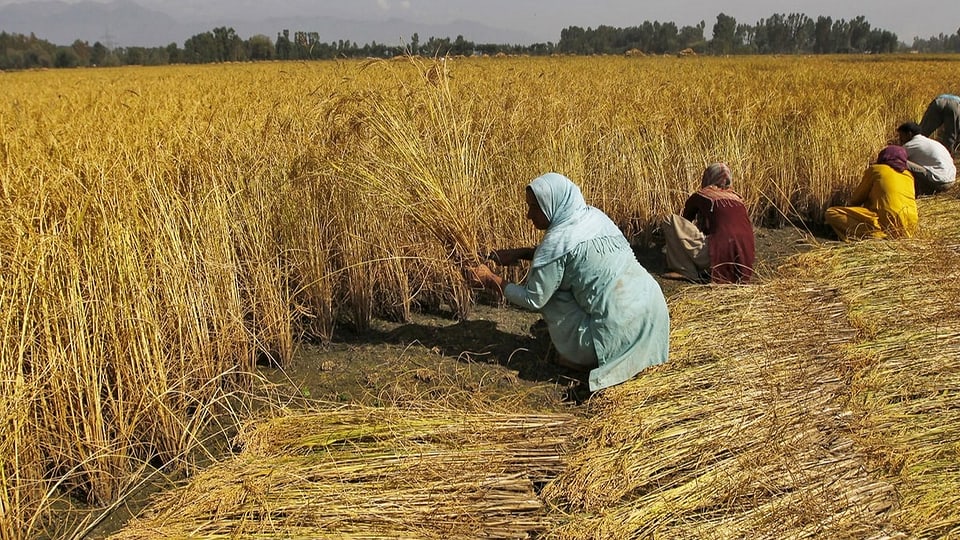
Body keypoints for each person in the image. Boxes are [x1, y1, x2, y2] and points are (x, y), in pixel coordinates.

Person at [465, 172, 669, 393]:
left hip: (619, 332)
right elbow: (576, 257)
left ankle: (582, 357)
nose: (528, 215)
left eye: (534, 207)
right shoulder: (595, 217)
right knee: (560, 280)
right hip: (654, 314)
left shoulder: (556, 243)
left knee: (551, 295)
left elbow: (534, 299)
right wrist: (522, 253)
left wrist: (490, 279)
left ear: (552, 204)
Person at [661, 163, 755, 284]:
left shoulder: (702, 195)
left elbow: (685, 220)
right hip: (745, 261)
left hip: (715, 257)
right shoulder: (739, 199)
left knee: (670, 220)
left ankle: (685, 270)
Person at [824, 145, 918, 241]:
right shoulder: (909, 176)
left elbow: (856, 199)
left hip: (886, 221)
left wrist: (849, 209)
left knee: (831, 213)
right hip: (910, 226)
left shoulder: (877, 169)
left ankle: (877, 236)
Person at [897, 121, 956, 195]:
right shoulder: (931, 142)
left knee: (898, 160)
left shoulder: (911, 144)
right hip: (951, 180)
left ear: (909, 134)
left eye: (901, 136)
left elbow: (895, 156)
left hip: (940, 182)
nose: (900, 139)